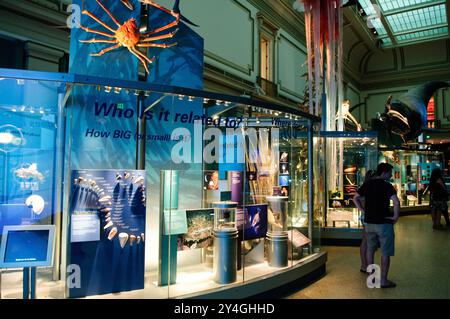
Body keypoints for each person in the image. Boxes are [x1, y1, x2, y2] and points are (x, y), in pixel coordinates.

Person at [353, 163, 400, 288]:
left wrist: (363, 211)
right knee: (385, 252)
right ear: (384, 172)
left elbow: (355, 198)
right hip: (384, 223)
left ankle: (371, 278)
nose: (390, 175)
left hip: (369, 223)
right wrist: (395, 217)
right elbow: (396, 201)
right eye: (390, 172)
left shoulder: (367, 184)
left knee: (370, 250)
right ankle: (383, 281)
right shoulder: (387, 186)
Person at [357, 169, 376, 274]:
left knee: (366, 241)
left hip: (366, 216)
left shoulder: (364, 187)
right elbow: (359, 200)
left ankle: (364, 265)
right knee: (367, 242)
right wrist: (363, 210)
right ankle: (366, 265)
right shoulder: (368, 188)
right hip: (367, 217)